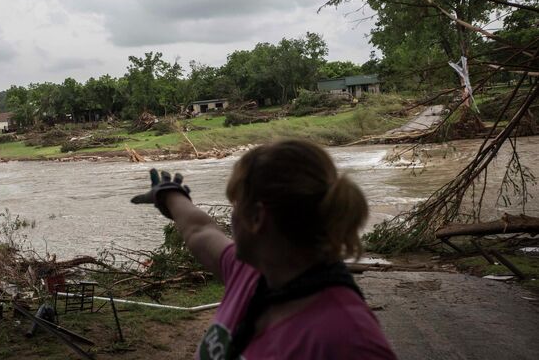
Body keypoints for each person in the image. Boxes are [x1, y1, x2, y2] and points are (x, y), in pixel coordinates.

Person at [131, 139, 396, 360]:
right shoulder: (251, 272)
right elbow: (199, 230)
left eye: (235, 204)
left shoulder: (348, 339)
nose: (232, 217)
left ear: (257, 218)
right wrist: (169, 194)